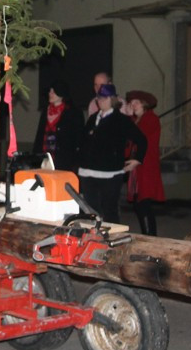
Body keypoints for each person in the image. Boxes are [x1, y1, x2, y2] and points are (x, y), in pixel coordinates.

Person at [77, 82, 146, 224]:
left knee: (110, 212)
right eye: (99, 98)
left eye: (105, 98)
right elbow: (83, 142)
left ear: (112, 100)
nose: (101, 101)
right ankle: (92, 240)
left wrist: (137, 160)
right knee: (90, 213)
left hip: (109, 174)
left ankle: (112, 241)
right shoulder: (92, 119)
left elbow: (141, 140)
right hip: (87, 173)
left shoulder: (121, 120)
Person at [124, 90, 165, 236]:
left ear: (144, 104)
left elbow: (140, 137)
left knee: (143, 204)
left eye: (136, 102)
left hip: (146, 168)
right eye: (131, 102)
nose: (132, 105)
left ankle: (150, 237)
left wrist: (128, 117)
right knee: (139, 204)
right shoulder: (138, 120)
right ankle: (148, 235)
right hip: (139, 169)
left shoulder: (150, 119)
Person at [32, 79, 83, 173]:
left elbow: (77, 138)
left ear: (61, 94)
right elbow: (40, 135)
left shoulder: (73, 112)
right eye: (50, 91)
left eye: (54, 91)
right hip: (45, 159)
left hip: (64, 161)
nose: (50, 93)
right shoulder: (46, 111)